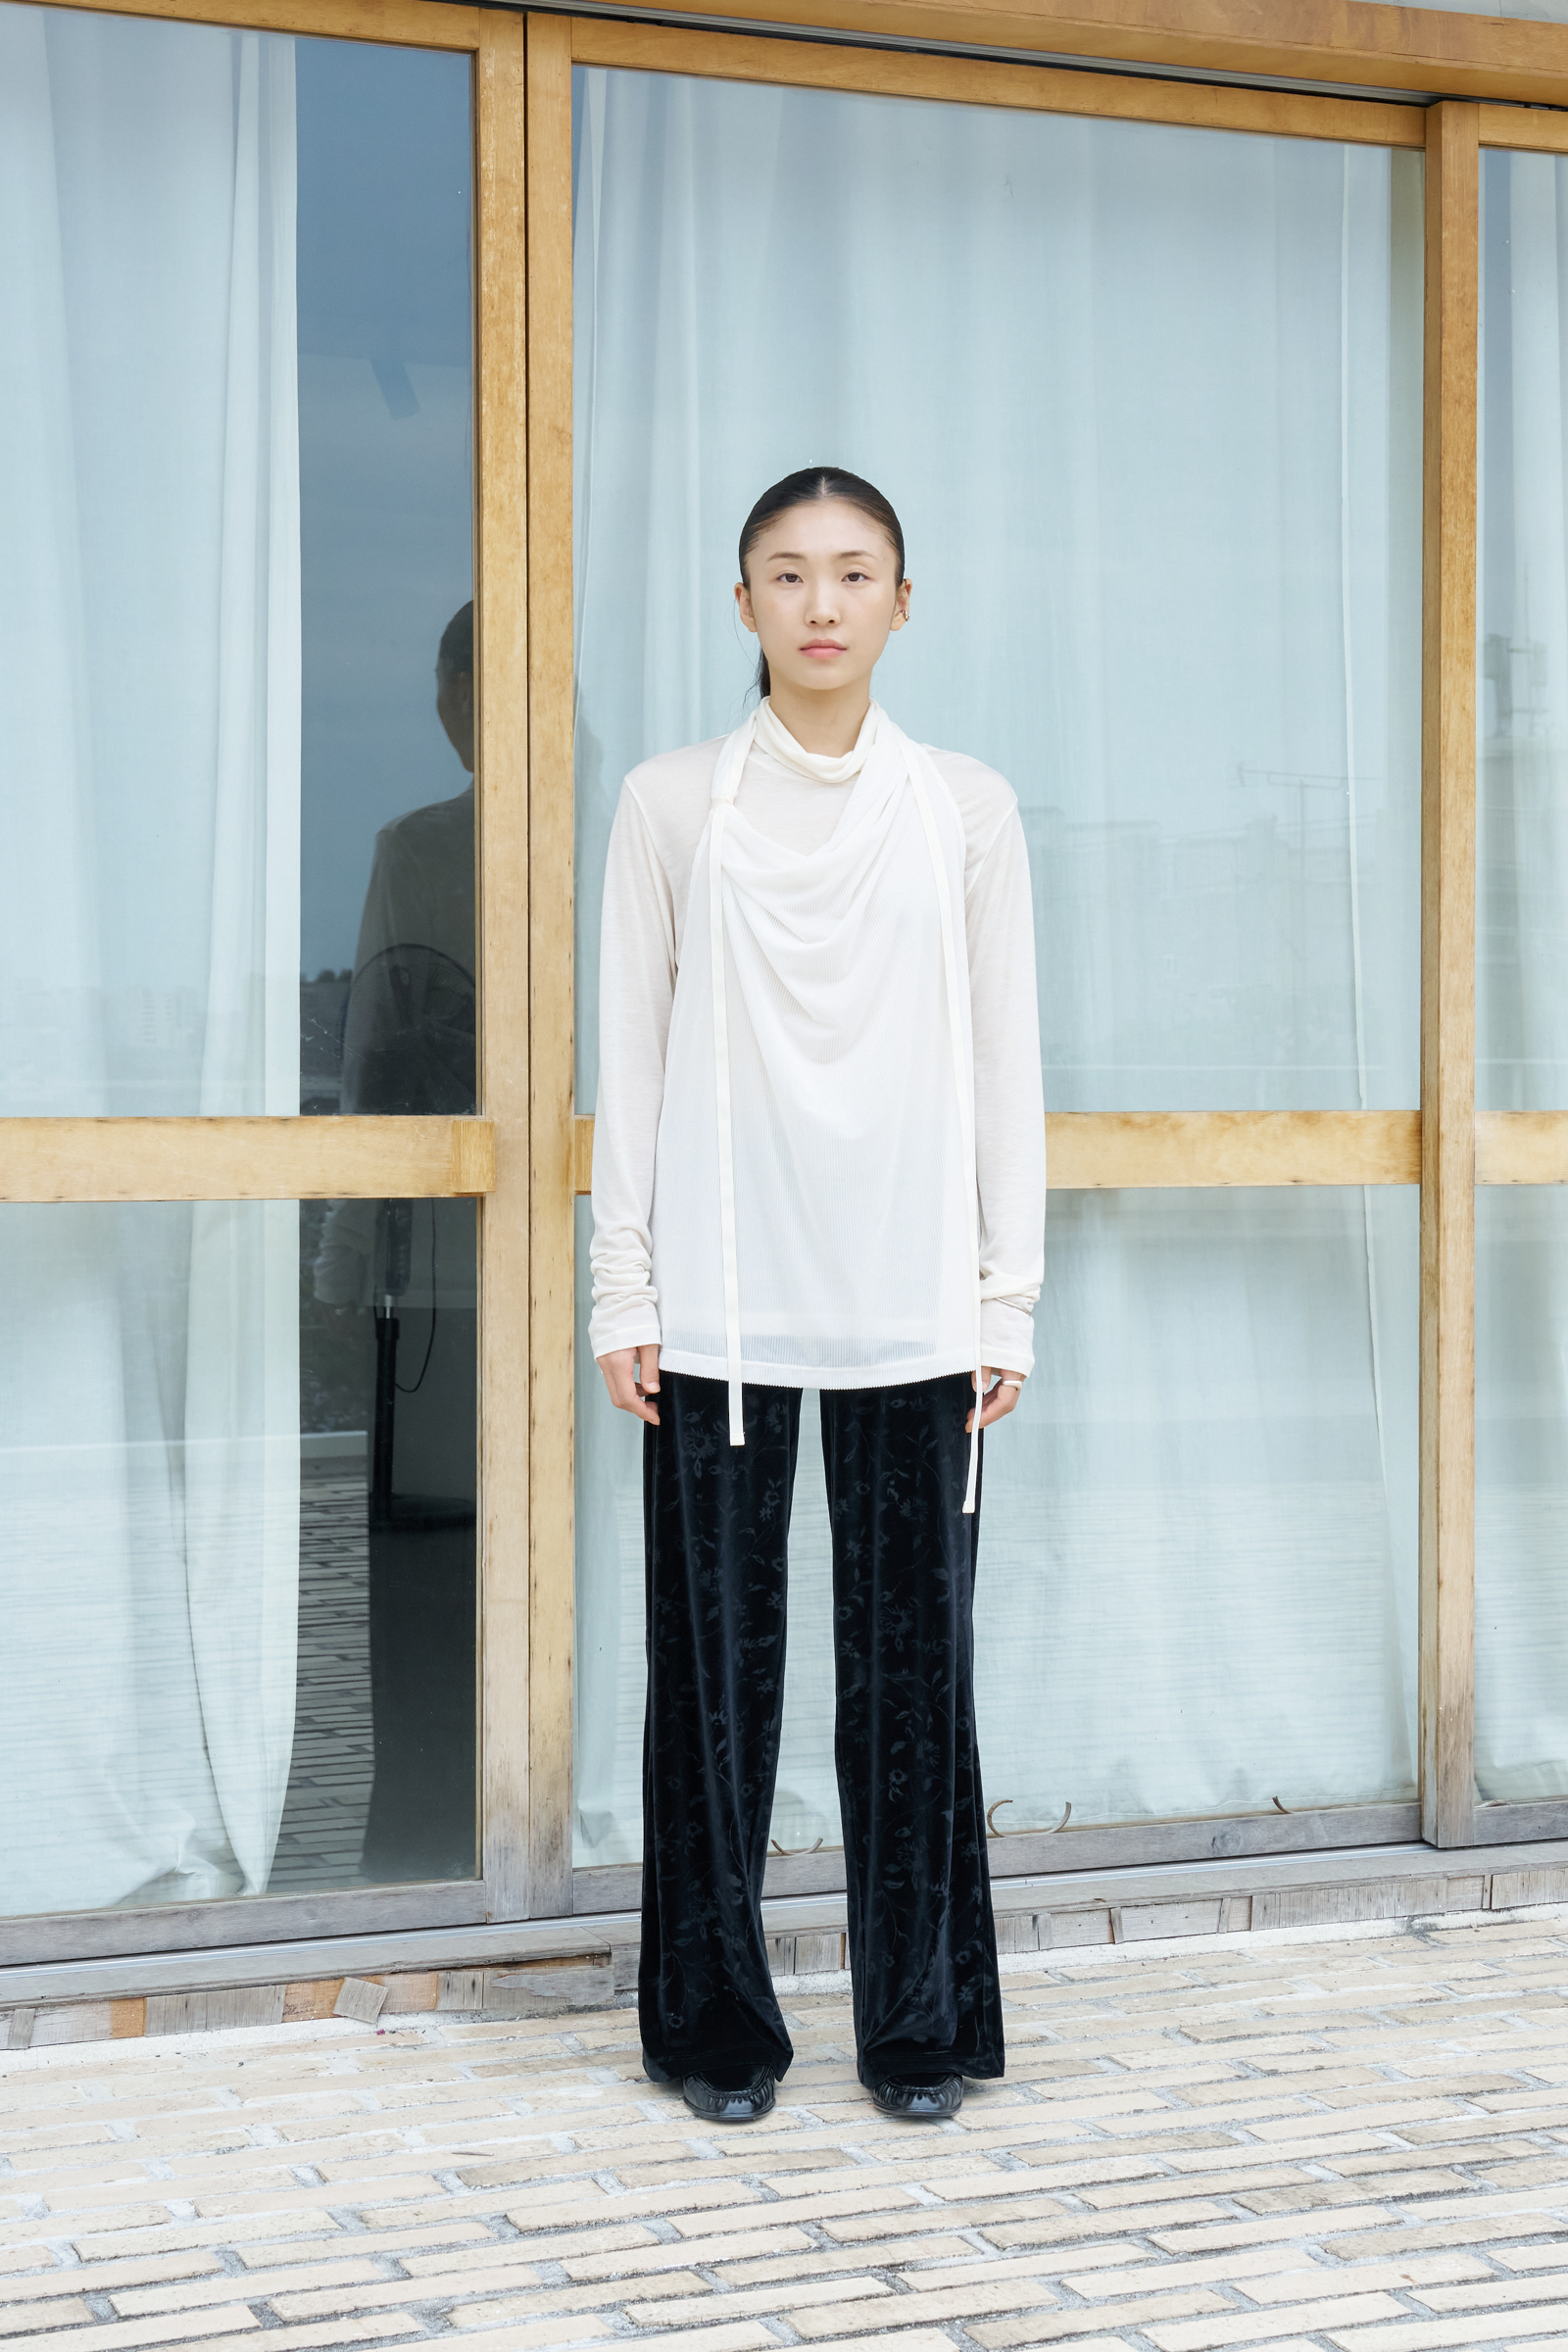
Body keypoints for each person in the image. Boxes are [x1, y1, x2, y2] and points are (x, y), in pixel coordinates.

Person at [590, 468, 1046, 2125]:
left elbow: (1006, 1058)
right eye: (788, 573)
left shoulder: (966, 809)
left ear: (903, 603)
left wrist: (1005, 1296)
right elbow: (630, 1055)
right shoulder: (668, 805)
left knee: (914, 1691)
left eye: (856, 572)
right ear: (744, 606)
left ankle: (919, 2028)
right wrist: (623, 1283)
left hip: (916, 1305)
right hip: (719, 1310)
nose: (823, 602)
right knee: (713, 1683)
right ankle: (715, 2027)